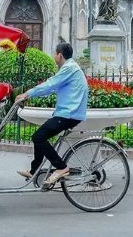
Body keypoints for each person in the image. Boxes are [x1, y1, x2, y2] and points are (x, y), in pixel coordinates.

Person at [15, 42, 89, 185]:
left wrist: (27, 94)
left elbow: (50, 84)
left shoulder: (69, 68)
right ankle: (34, 171)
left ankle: (61, 167)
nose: (54, 56)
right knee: (40, 136)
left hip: (68, 114)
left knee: (38, 137)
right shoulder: (71, 68)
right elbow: (50, 88)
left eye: (55, 54)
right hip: (68, 113)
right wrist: (31, 95)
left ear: (59, 55)